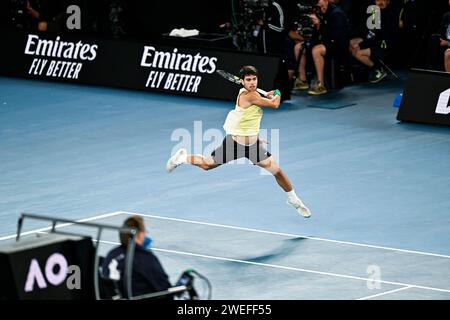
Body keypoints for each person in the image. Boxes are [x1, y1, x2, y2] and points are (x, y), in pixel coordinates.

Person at [166, 65, 311, 218]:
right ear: (242, 82)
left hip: (253, 146)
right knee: (206, 165)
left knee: (277, 171)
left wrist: (256, 136)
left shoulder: (253, 94)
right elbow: (275, 104)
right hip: (234, 145)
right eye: (248, 80)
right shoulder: (248, 96)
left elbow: (248, 119)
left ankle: (293, 199)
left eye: (254, 79)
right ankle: (182, 157)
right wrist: (277, 92)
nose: (252, 82)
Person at [101, 215, 172, 298]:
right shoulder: (145, 258)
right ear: (140, 233)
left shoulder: (112, 254)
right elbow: (164, 288)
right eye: (144, 231)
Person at [297, 0, 350, 95]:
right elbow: (317, 34)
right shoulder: (318, 11)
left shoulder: (337, 14)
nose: (321, 8)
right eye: (318, 6)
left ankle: (321, 84)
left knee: (316, 50)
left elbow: (334, 36)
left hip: (339, 44)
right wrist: (315, 26)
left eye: (322, 5)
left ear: (326, 1)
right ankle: (303, 81)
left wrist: (320, 25)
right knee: (298, 47)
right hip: (325, 41)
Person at [349, 0, 397, 83]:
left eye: (383, 0)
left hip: (384, 45)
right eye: (378, 0)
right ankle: (365, 68)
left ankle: (377, 69)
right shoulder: (375, 12)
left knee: (358, 53)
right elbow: (364, 28)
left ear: (388, 1)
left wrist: (361, 44)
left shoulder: (389, 16)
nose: (380, 3)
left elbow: (379, 38)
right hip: (373, 41)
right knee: (350, 43)